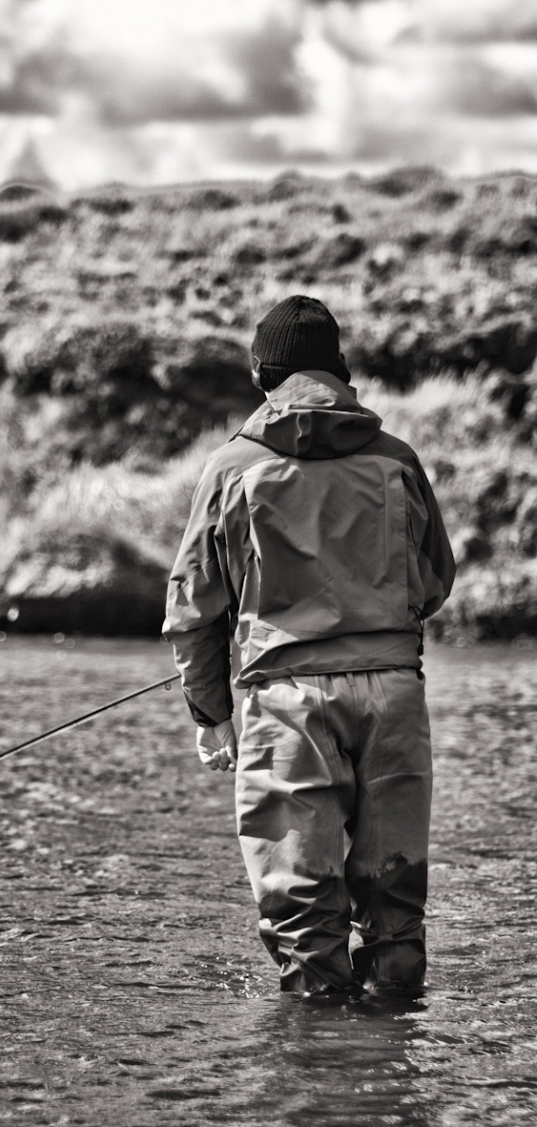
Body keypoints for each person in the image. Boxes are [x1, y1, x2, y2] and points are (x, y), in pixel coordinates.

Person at [162, 295, 456, 997]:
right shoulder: (395, 457)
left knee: (301, 918)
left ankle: (318, 1077)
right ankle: (393, 1073)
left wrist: (212, 716)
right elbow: (435, 578)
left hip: (286, 705)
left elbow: (192, 607)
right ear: (340, 373)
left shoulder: (233, 466)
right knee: (395, 907)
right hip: (392, 697)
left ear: (262, 376)